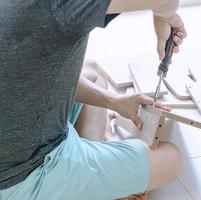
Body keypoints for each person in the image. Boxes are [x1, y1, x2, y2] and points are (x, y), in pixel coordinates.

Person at [0, 0, 187, 199]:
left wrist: (114, 101)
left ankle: (90, 180)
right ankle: (85, 186)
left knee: (93, 71)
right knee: (171, 159)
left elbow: (35, 75)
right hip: (21, 179)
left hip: (14, 144)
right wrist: (164, 16)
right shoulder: (60, 5)